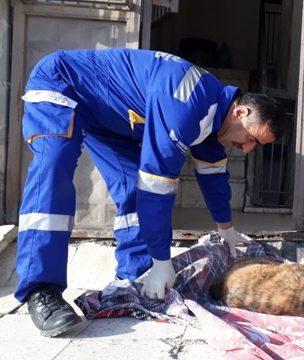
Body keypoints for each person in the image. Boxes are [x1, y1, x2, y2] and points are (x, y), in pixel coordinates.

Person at [14, 48, 286, 337]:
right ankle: (41, 290)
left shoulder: (214, 118)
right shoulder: (186, 106)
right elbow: (157, 186)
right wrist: (162, 260)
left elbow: (214, 176)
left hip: (109, 115)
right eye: (251, 138)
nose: (246, 149)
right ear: (240, 112)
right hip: (63, 85)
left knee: (132, 187)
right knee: (53, 171)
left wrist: (227, 228)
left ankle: (134, 277)